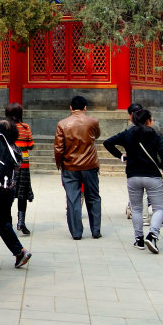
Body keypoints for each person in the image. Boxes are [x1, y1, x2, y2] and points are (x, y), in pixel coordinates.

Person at [103, 108, 163, 252]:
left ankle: (139, 240)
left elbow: (107, 143)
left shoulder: (127, 134)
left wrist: (121, 156)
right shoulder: (155, 136)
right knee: (159, 209)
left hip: (133, 175)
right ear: (148, 121)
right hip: (152, 176)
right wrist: (162, 167)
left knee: (136, 208)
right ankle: (152, 235)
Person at [54, 95, 102, 239]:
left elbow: (58, 148)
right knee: (93, 197)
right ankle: (95, 230)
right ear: (85, 108)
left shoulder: (62, 124)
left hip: (70, 166)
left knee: (73, 198)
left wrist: (59, 164)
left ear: (70, 108)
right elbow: (97, 135)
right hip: (90, 164)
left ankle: (76, 232)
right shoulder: (93, 122)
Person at [0, 119, 32, 270]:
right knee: (2, 223)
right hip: (8, 192)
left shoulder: (1, 147)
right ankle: (19, 252)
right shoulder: (14, 148)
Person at [5, 103, 34, 235]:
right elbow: (30, 145)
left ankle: (7, 221)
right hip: (23, 164)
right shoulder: (25, 127)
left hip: (8, 165)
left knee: (7, 194)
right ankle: (21, 221)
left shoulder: (4, 127)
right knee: (22, 193)